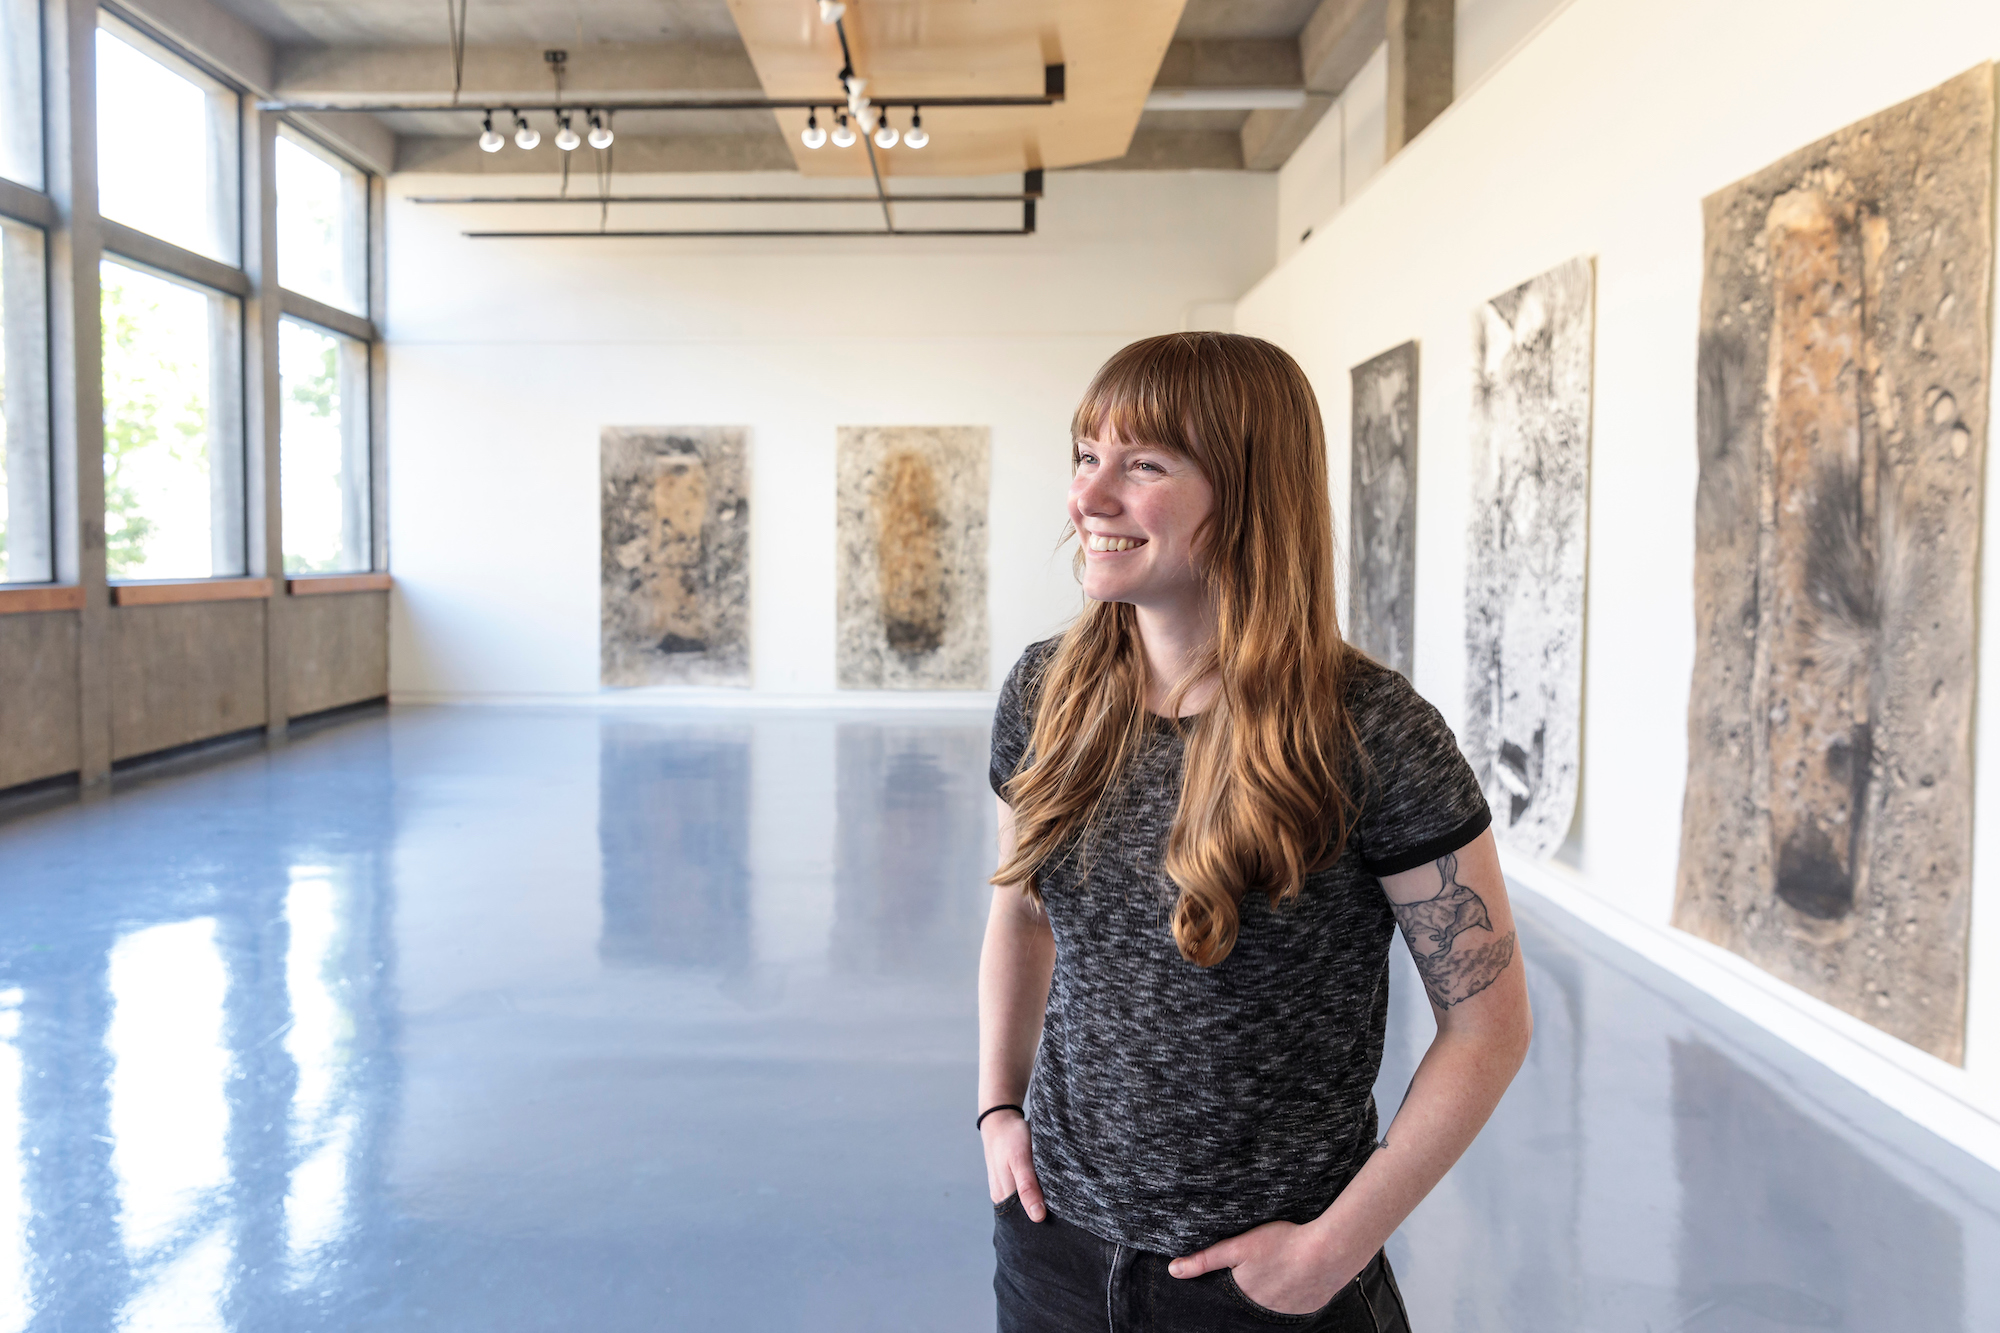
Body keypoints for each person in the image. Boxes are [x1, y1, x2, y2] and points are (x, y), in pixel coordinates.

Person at [977, 332, 1533, 1331]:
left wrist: (1335, 1245)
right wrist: (997, 1110)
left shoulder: (1365, 731)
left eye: (1142, 463)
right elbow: (1022, 916)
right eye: (1084, 455)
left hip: (1264, 1290)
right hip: (1053, 1250)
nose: (1089, 496)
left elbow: (1487, 1022)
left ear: (1248, 492)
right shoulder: (1043, 693)